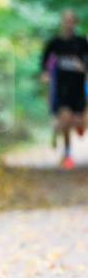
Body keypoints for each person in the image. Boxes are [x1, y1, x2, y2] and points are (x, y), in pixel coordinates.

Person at [40, 10, 88, 169]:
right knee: (66, 119)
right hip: (61, 87)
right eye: (65, 20)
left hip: (79, 87)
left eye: (71, 20)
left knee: (79, 122)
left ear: (75, 23)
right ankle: (67, 154)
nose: (68, 23)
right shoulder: (55, 42)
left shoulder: (82, 42)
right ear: (62, 22)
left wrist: (83, 67)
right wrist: (45, 73)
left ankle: (58, 128)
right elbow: (45, 60)